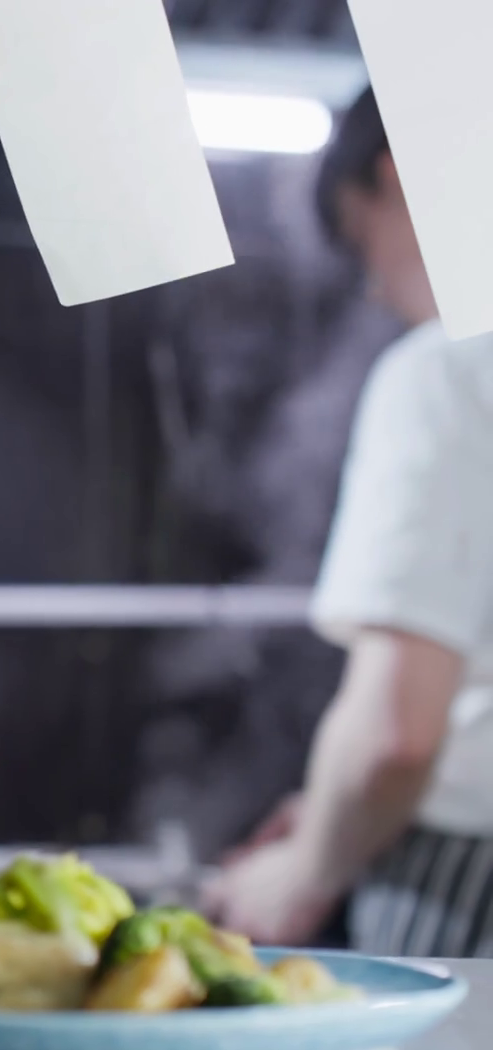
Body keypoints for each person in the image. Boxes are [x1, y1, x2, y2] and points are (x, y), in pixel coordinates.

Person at [205, 87, 493, 956]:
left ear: (400, 180)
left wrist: (306, 870)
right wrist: (339, 814)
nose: (374, 286)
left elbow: (395, 739)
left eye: (363, 239)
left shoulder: (446, 369)